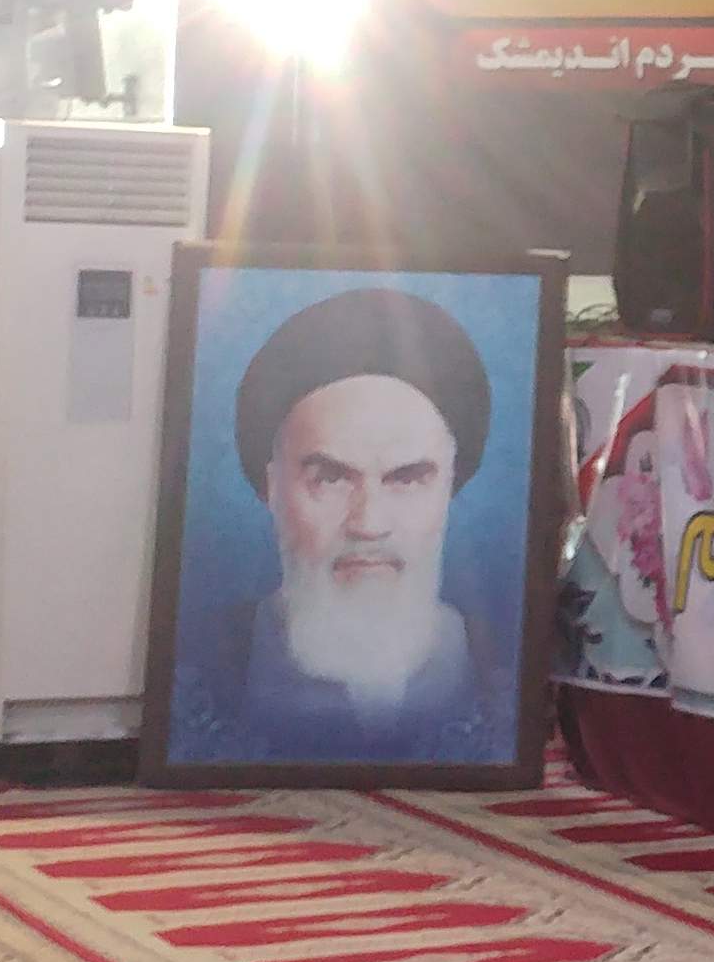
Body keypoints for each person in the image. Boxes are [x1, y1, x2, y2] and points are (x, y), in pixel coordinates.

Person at [178, 285, 508, 764]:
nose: (368, 524)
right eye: (330, 478)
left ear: (450, 486)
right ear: (270, 486)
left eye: (407, 479)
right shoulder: (197, 665)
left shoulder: (504, 667)